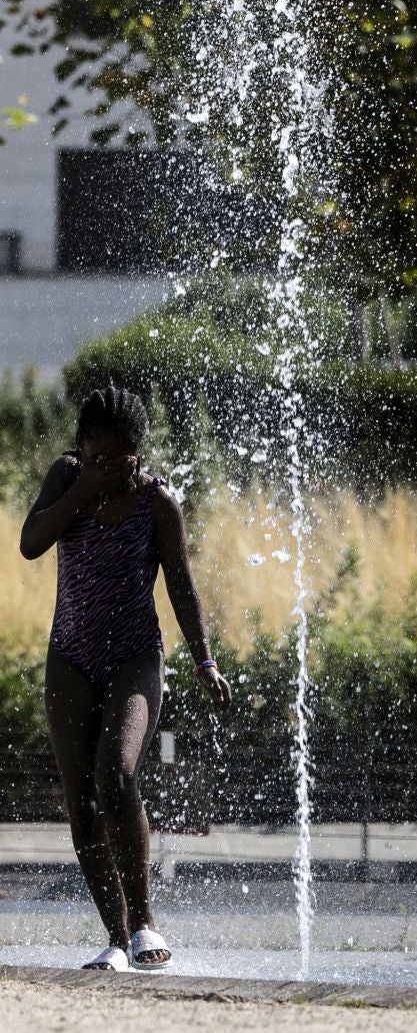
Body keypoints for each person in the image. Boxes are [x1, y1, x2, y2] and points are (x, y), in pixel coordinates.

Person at [18, 387, 232, 972]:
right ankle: (114, 938)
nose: (110, 469)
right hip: (71, 657)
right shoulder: (67, 478)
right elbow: (31, 543)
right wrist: (81, 490)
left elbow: (182, 587)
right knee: (80, 802)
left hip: (135, 658)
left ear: (138, 454)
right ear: (81, 449)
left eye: (121, 459)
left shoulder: (156, 502)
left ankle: (143, 924)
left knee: (115, 772)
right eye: (98, 457)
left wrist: (205, 660)